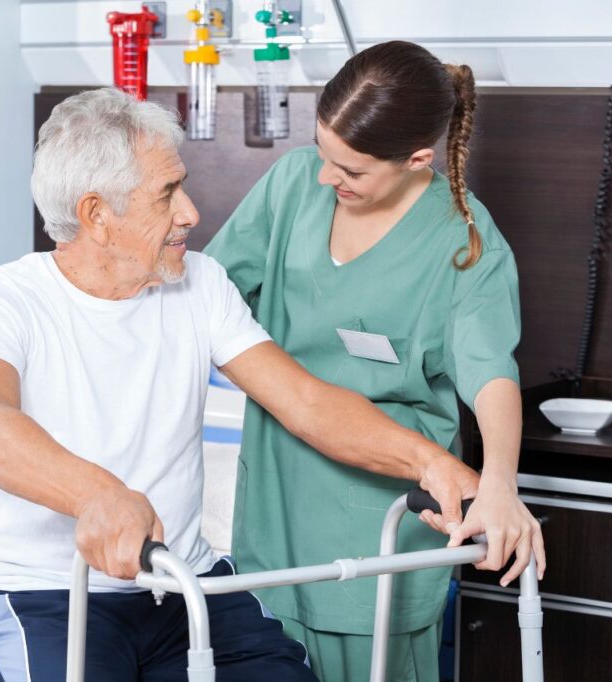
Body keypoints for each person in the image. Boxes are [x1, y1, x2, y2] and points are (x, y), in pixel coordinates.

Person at [0, 87, 484, 681]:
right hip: (43, 593)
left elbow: (305, 402)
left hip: (185, 584)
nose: (191, 213)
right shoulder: (4, 298)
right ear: (98, 215)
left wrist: (433, 464)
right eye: (167, 194)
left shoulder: (199, 284)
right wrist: (96, 495)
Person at [204, 41, 547, 681]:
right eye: (323, 154)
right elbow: (206, 296)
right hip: (277, 502)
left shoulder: (464, 241)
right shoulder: (290, 187)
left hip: (382, 516)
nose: (326, 179)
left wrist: (500, 480)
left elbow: (489, 370)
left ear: (417, 160)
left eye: (352, 171)